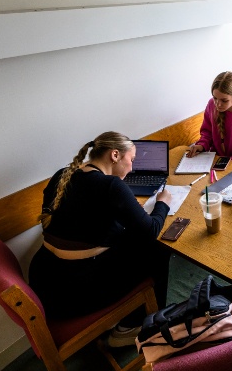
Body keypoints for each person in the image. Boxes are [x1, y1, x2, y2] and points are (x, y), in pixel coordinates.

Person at [28, 131, 172, 347]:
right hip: (77, 293)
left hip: (46, 283)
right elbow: (151, 229)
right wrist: (163, 203)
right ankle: (133, 325)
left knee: (129, 239)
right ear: (115, 155)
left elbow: (85, 222)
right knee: (158, 249)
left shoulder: (62, 175)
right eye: (131, 160)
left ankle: (131, 318)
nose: (132, 168)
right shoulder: (111, 187)